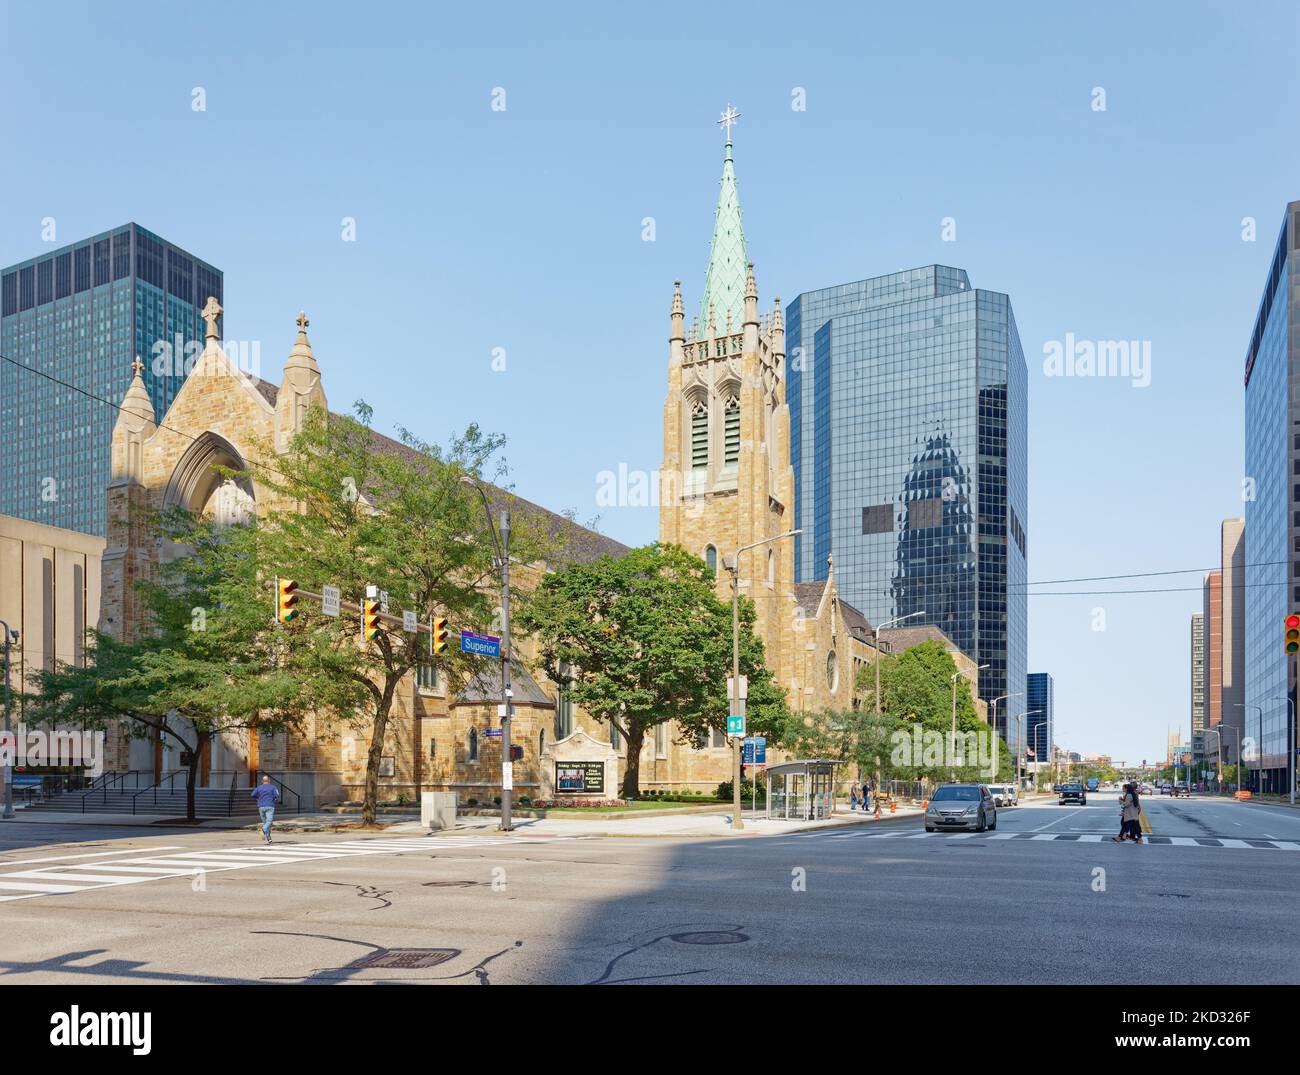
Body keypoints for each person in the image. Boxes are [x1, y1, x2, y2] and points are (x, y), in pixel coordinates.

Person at [251, 774, 281, 844]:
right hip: (270, 806)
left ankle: (268, 838)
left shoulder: (259, 787)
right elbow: (277, 795)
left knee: (266, 823)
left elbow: (252, 794)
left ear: (262, 781)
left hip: (261, 806)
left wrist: (257, 798)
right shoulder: (273, 787)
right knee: (269, 822)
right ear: (269, 781)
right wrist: (274, 799)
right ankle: (263, 830)